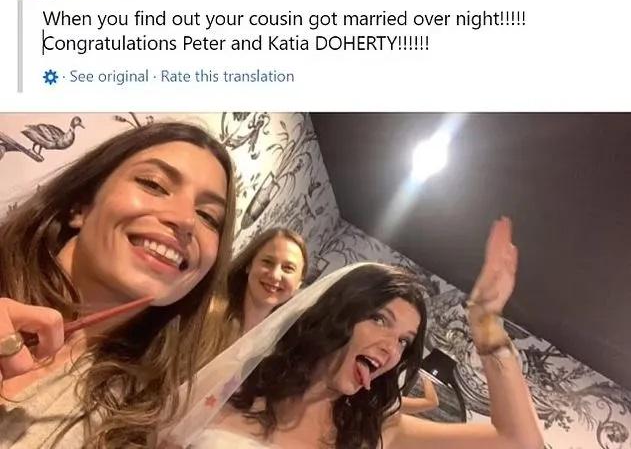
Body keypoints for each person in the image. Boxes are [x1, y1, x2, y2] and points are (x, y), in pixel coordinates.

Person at [163, 217, 544, 449]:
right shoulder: (237, 385)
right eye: (380, 320)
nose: (392, 349)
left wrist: (486, 324)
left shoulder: (375, 433)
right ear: (336, 315)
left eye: (404, 341)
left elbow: (519, 442)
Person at [0, 121, 236, 448]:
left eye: (208, 216)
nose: (185, 220)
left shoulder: (149, 422)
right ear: (81, 205)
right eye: (154, 185)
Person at [200, 227, 308, 363]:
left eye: (288, 268)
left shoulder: (280, 347)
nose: (275, 275)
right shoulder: (208, 313)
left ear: (299, 283)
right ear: (249, 265)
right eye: (267, 262)